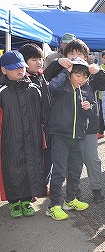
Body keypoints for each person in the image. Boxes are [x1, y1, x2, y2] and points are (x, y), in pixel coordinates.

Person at [44, 39, 105, 203]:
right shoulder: (63, 75)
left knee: (90, 159)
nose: (74, 56)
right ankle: (72, 194)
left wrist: (99, 71)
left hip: (86, 127)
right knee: (67, 164)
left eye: (78, 53)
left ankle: (96, 189)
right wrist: (58, 64)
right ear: (65, 55)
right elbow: (48, 77)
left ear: (86, 56)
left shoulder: (89, 74)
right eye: (70, 53)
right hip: (64, 128)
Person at [45, 57, 95, 220]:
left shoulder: (87, 90)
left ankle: (70, 200)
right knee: (59, 171)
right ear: (70, 74)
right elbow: (52, 86)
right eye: (77, 75)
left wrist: (89, 107)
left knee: (75, 170)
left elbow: (92, 112)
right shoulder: (62, 87)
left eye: (84, 76)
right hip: (60, 135)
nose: (81, 79)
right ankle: (54, 206)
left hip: (79, 135)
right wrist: (65, 71)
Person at [0, 51, 48, 218]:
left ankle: (27, 200)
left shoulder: (34, 89)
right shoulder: (2, 91)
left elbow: (44, 113)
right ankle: (14, 202)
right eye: (15, 68)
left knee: (32, 167)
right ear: (4, 70)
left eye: (22, 67)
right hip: (9, 139)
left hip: (33, 137)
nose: (20, 70)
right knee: (13, 169)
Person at [18, 43, 52, 195]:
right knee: (32, 160)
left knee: (48, 158)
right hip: (30, 128)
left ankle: (43, 185)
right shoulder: (21, 81)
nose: (39, 62)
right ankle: (32, 190)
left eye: (40, 58)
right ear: (23, 62)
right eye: (33, 59)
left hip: (46, 126)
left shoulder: (42, 76)